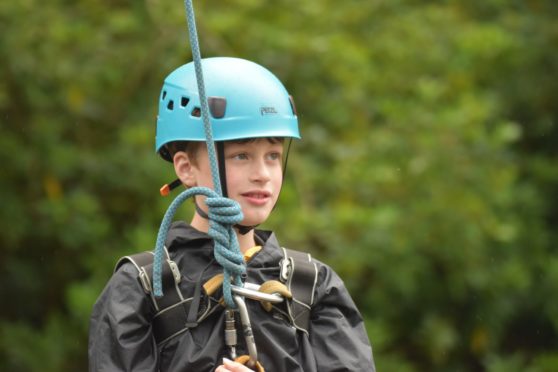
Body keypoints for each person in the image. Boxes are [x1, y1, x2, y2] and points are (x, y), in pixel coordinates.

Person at [88, 57, 375, 371]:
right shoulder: (141, 289)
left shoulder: (314, 286)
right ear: (186, 167)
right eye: (241, 155)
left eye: (273, 156)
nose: (263, 174)